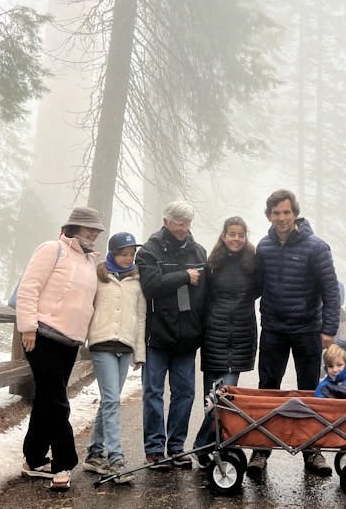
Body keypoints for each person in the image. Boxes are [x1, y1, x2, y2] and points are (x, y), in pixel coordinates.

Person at [247, 189, 341, 478]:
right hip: (274, 328)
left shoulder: (316, 247)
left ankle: (312, 451)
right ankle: (260, 451)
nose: (282, 218)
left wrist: (329, 329)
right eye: (276, 213)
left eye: (287, 212)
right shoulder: (263, 247)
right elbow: (255, 286)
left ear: (295, 213)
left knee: (309, 391)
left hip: (307, 329)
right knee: (268, 389)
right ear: (269, 216)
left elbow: (331, 291)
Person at [16, 206, 104, 492]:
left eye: (96, 230)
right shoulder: (51, 249)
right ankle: (63, 463)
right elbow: (29, 287)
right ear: (74, 228)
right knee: (56, 400)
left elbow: (87, 303)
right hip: (41, 335)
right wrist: (27, 326)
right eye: (88, 228)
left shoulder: (91, 262)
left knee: (46, 399)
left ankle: (34, 459)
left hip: (70, 341)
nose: (93, 233)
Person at [136, 201, 207, 470]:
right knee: (153, 392)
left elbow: (204, 295)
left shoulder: (198, 250)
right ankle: (154, 449)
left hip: (187, 337)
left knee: (185, 393)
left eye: (187, 224)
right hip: (156, 335)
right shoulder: (150, 250)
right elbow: (151, 286)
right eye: (179, 224)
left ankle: (176, 447)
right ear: (166, 221)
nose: (184, 229)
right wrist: (183, 276)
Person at [192, 216, 260, 465]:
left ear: (246, 237)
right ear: (223, 236)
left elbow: (259, 291)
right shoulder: (212, 264)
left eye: (241, 234)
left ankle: (202, 447)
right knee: (211, 399)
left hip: (240, 337)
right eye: (232, 234)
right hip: (215, 337)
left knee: (225, 398)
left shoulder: (253, 264)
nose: (236, 239)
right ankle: (214, 448)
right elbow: (202, 299)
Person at [82, 231, 146, 482]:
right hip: (102, 344)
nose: (128, 258)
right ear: (113, 253)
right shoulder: (98, 277)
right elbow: (87, 307)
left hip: (125, 346)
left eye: (131, 254)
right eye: (123, 253)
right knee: (111, 401)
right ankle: (116, 460)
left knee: (110, 399)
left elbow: (141, 318)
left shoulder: (137, 280)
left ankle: (94, 453)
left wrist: (139, 352)